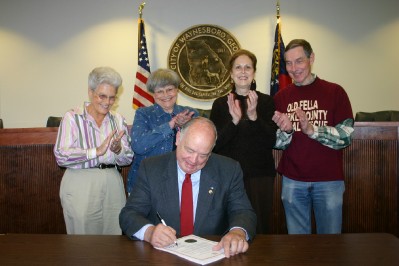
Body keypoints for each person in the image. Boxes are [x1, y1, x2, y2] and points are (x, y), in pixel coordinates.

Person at [119, 117, 256, 258]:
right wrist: (150, 233)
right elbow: (129, 214)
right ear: (178, 138)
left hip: (213, 254)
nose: (194, 160)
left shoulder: (228, 169)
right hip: (163, 256)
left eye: (203, 155)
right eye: (189, 150)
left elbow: (243, 211)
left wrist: (238, 232)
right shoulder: (152, 168)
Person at [272, 39, 354, 234]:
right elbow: (277, 144)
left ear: (311, 58)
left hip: (329, 181)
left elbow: (346, 136)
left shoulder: (335, 92)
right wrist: (287, 131)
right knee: (297, 248)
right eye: (289, 63)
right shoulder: (280, 97)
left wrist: (312, 130)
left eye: (299, 61)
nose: (294, 68)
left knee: (330, 244)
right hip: (293, 181)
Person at [54, 66, 134, 235]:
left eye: (112, 98)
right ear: (90, 92)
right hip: (80, 181)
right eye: (102, 96)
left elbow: (128, 158)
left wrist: (118, 149)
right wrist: (95, 151)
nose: (107, 102)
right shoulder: (73, 117)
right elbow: (61, 156)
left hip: (112, 181)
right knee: (83, 242)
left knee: (114, 236)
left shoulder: (118, 120)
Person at [210, 49, 277, 234]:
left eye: (248, 67)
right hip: (227, 177)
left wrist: (254, 116)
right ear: (231, 74)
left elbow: (271, 140)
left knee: (260, 227)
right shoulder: (220, 104)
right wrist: (234, 121)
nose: (243, 71)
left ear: (254, 72)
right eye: (238, 67)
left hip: (259, 176)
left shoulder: (266, 102)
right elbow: (214, 145)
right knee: (229, 228)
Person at [127, 68, 198, 194]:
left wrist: (186, 126)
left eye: (170, 89)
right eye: (160, 91)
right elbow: (138, 146)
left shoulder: (190, 113)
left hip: (182, 183)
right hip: (146, 184)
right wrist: (170, 125)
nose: (166, 95)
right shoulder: (143, 114)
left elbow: (199, 148)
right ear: (153, 94)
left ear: (177, 90)